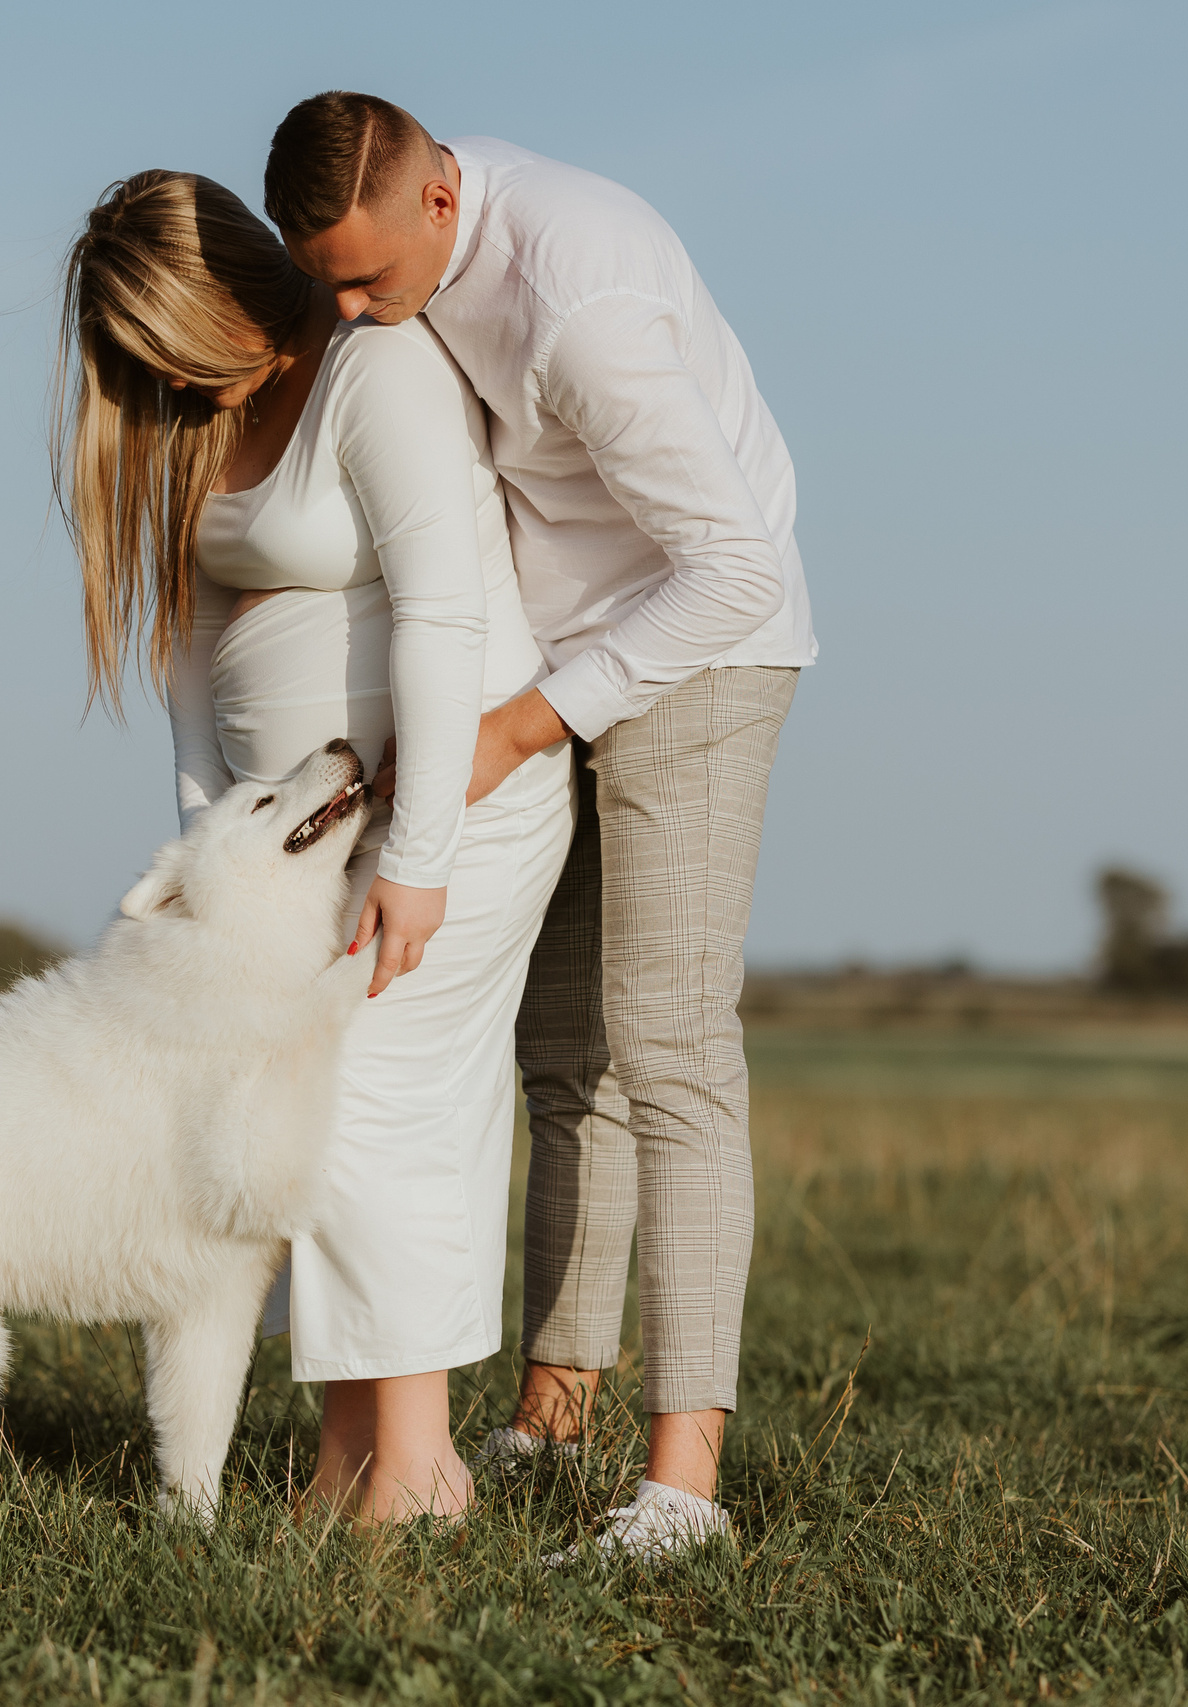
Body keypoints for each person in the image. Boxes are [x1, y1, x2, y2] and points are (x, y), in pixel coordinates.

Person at [264, 93, 816, 1563]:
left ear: (440, 202)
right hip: (559, 658)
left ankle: (683, 1492)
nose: (347, 311)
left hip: (695, 655)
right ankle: (550, 1424)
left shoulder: (582, 304)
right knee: (562, 1053)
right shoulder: (407, 249)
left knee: (669, 1044)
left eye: (365, 279)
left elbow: (737, 569)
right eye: (324, 283)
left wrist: (521, 726)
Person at [56, 170, 573, 1523]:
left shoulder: (371, 371)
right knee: (308, 1111)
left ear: (246, 285)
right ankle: (354, 1459)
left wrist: (419, 854)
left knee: (376, 1107)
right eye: (155, 367)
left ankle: (418, 1469)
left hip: (448, 810)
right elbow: (188, 659)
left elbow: (442, 610)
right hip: (302, 842)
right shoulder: (187, 418)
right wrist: (213, 867)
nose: (184, 384)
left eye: (194, 349)